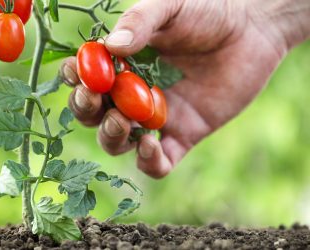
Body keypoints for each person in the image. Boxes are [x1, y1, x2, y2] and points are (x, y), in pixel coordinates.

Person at [60, 0, 310, 178]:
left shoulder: (119, 71)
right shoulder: (119, 72)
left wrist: (259, 20)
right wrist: (261, 19)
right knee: (106, 109)